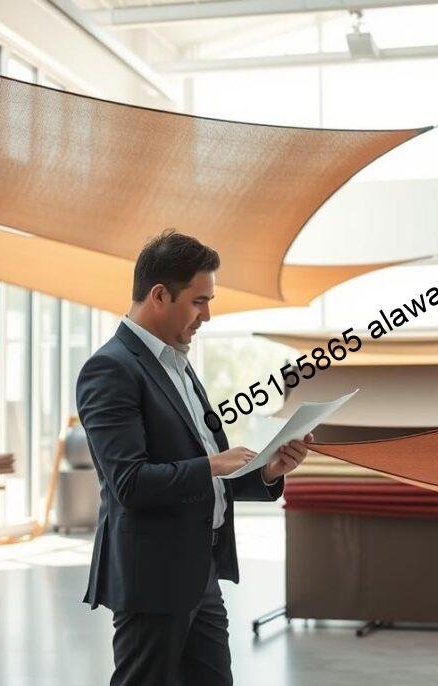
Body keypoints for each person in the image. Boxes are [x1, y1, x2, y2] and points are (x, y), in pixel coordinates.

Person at [76, 229, 312, 686]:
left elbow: (202, 468)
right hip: (153, 577)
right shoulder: (110, 369)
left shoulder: (177, 364)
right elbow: (130, 483)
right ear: (160, 295)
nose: (207, 314)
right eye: (199, 301)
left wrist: (265, 471)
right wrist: (212, 464)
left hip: (199, 570)